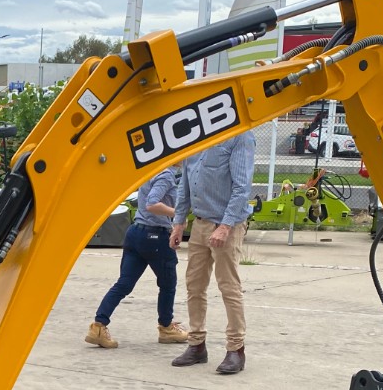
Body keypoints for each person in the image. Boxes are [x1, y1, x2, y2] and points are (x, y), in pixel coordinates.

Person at [170, 130, 256, 374]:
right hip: (200, 223)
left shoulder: (240, 137)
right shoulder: (193, 136)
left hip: (226, 225)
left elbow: (242, 187)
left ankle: (235, 350)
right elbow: (184, 183)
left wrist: (226, 226)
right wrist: (178, 222)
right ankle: (196, 345)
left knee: (229, 287)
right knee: (194, 285)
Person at [85, 165, 188, 349]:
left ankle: (98, 326)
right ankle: (166, 328)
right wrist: (177, 214)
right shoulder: (166, 175)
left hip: (135, 233)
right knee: (168, 284)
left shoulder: (153, 169)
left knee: (124, 283)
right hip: (155, 236)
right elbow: (152, 203)